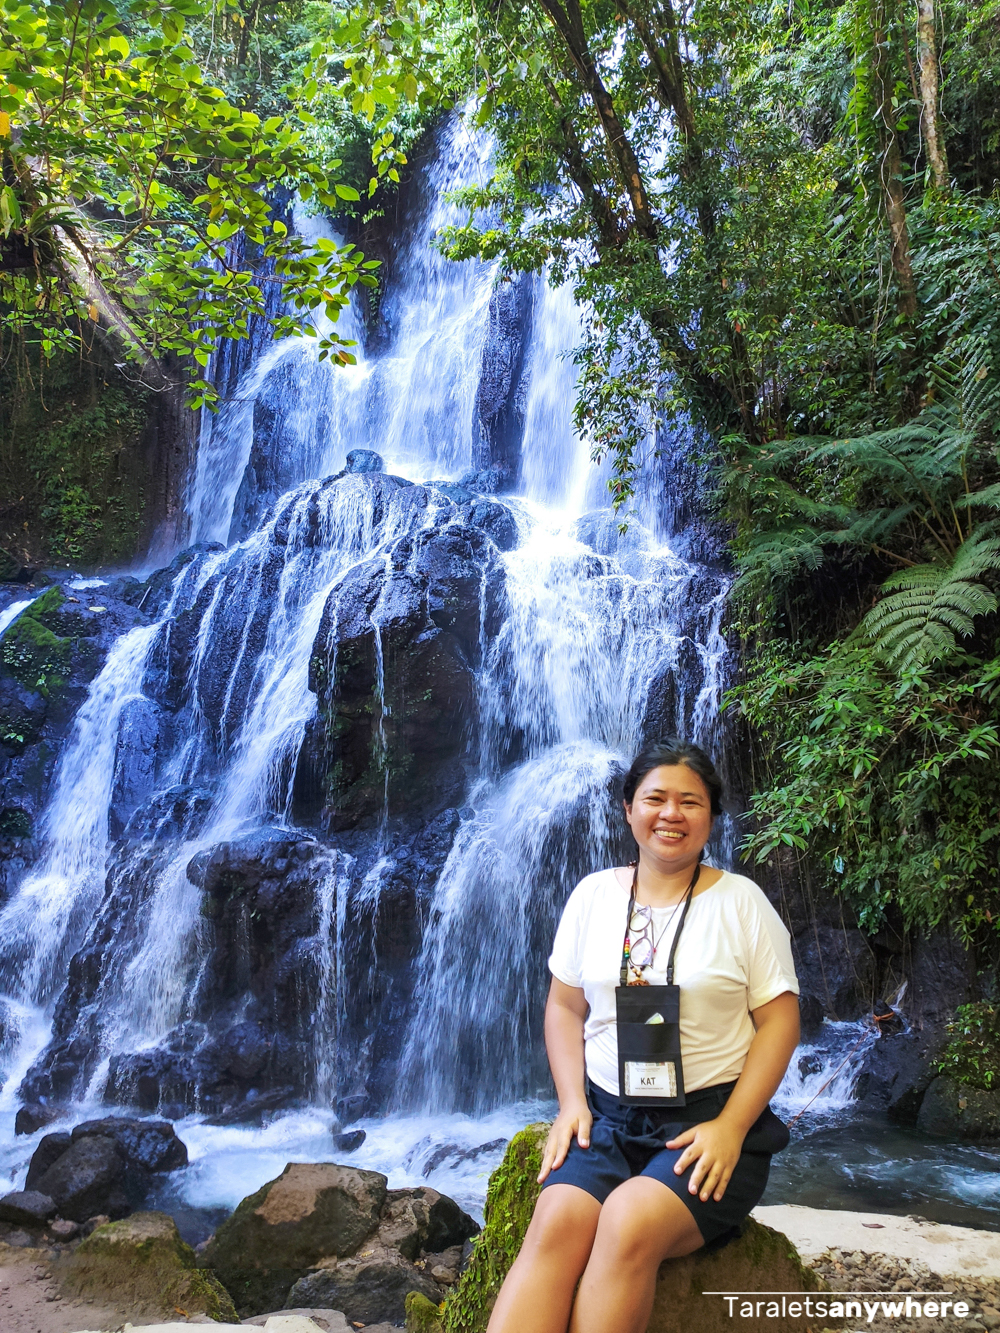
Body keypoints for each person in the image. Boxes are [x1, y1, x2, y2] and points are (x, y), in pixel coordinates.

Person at [487, 738, 800, 1333]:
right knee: (555, 1222)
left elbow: (781, 1021)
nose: (671, 814)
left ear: (711, 816)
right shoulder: (593, 895)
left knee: (628, 1219)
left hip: (706, 1124)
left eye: (691, 801)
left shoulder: (743, 903)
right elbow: (563, 1007)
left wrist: (732, 1128)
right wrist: (571, 1104)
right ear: (628, 809)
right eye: (655, 798)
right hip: (606, 1116)